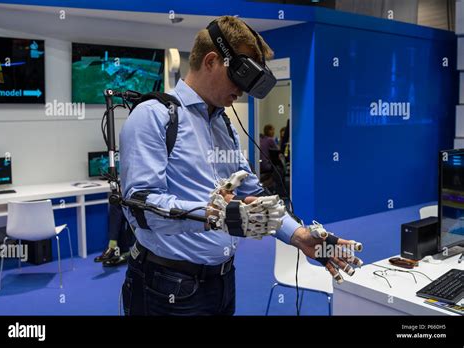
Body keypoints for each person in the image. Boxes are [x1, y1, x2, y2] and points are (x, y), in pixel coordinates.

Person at [119, 15, 360, 316]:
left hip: (222, 281)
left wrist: (298, 236)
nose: (242, 91)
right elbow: (139, 207)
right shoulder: (153, 116)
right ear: (210, 61)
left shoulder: (225, 126)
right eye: (239, 76)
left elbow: (253, 194)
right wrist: (215, 214)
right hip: (167, 286)